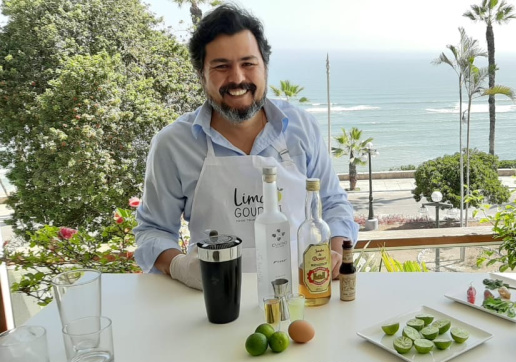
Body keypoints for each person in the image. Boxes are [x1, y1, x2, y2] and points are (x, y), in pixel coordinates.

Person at [133, 4, 358, 290]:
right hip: (211, 302)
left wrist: (335, 250)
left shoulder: (302, 128)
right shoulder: (173, 144)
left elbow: (334, 203)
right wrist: (179, 265)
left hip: (303, 294)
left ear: (265, 68)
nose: (237, 78)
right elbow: (153, 230)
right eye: (221, 66)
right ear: (201, 74)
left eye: (248, 63)